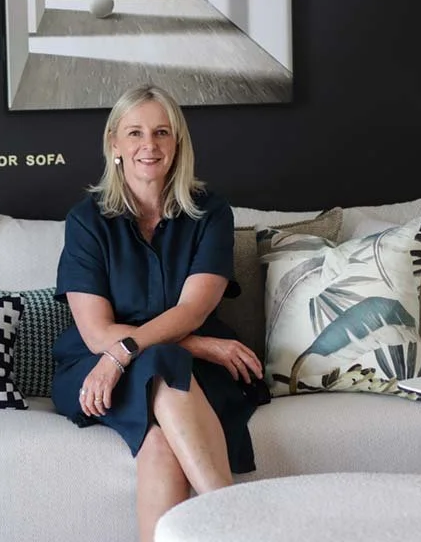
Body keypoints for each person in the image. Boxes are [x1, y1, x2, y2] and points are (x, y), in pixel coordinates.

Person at [51, 83, 269, 542]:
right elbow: (96, 334)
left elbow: (192, 309)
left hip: (188, 370)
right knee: (163, 360)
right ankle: (236, 522)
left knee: (158, 436)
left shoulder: (211, 213)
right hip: (95, 364)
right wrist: (193, 345)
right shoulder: (86, 221)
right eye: (135, 133)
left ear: (177, 144)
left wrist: (145, 348)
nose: (148, 145)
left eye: (161, 133)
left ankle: (232, 523)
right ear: (115, 143)